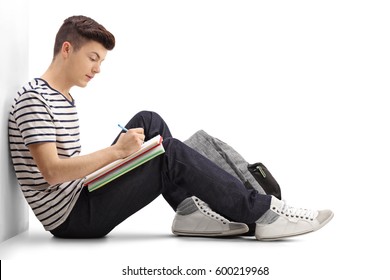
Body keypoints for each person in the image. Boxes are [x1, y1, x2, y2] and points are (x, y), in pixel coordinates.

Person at [8, 15, 333, 240]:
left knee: (150, 122)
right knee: (169, 153)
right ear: (67, 49)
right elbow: (51, 172)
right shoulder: (36, 99)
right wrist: (117, 152)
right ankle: (264, 214)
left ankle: (188, 210)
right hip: (73, 218)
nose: (97, 69)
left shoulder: (61, 96)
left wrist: (119, 154)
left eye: (101, 62)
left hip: (80, 195)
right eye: (93, 58)